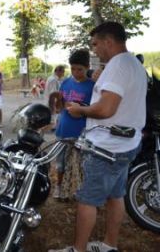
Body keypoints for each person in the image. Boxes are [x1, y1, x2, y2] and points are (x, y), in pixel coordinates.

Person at [50, 22, 147, 252]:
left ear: (108, 41)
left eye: (95, 44)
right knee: (116, 194)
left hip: (107, 147)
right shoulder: (133, 63)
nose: (94, 50)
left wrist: (80, 110)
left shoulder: (118, 66)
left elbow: (105, 109)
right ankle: (109, 245)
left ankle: (79, 248)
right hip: (125, 144)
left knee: (87, 200)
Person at [50, 49, 95, 200]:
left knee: (79, 164)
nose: (76, 72)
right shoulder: (65, 83)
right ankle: (59, 187)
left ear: (87, 67)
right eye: (73, 68)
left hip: (82, 132)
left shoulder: (92, 86)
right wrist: (59, 106)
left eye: (80, 69)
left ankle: (77, 189)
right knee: (60, 163)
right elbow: (60, 104)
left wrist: (81, 111)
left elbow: (95, 110)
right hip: (63, 129)